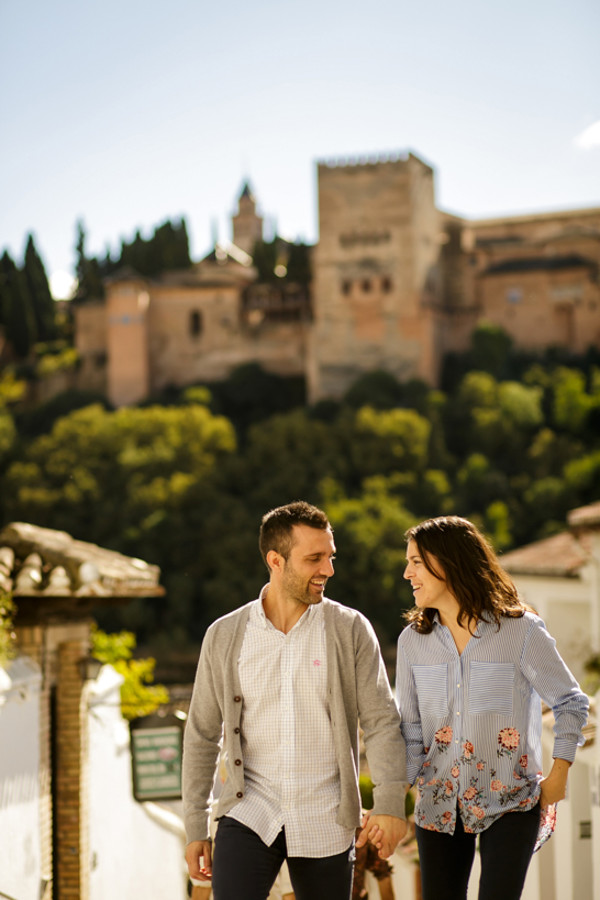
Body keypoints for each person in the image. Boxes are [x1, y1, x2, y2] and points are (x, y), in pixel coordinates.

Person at [183, 500, 408, 900]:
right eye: (314, 558)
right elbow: (202, 733)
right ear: (276, 560)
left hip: (326, 817)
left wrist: (390, 802)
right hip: (248, 809)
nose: (328, 570)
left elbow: (381, 721)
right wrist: (196, 824)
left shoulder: (351, 630)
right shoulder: (225, 635)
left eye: (330, 557)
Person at [395, 516, 589, 900]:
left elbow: (570, 702)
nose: (407, 573)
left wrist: (559, 773)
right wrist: (391, 800)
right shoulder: (412, 643)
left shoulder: (520, 631)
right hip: (438, 804)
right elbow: (412, 731)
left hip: (512, 799)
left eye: (416, 562)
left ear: (447, 563)